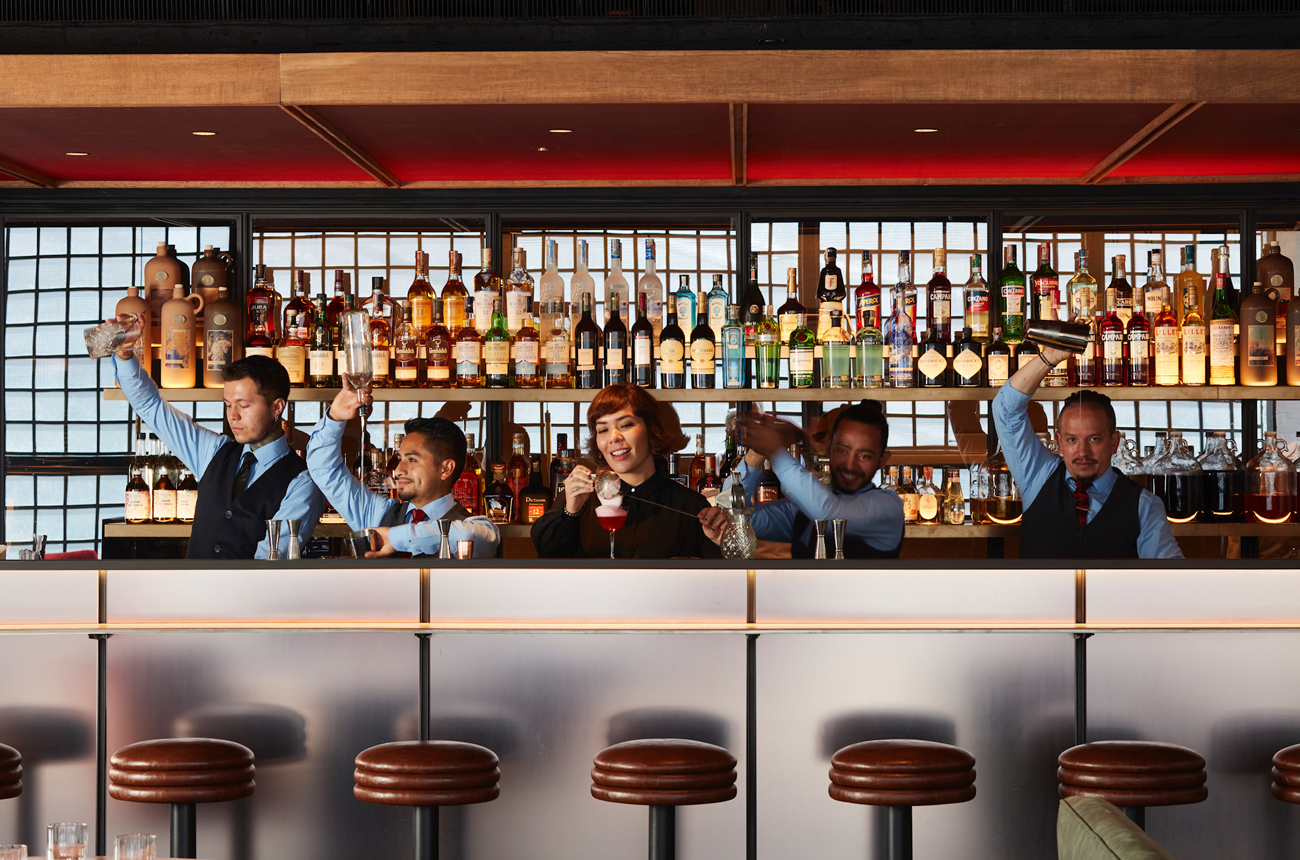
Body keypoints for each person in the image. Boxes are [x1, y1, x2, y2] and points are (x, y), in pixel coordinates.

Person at [110, 338, 326, 559]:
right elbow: (151, 407)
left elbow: (270, 562)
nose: (233, 415)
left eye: (244, 405)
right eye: (228, 405)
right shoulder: (213, 451)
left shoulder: (302, 483)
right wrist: (125, 357)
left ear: (277, 407)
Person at [992, 342, 1182, 559]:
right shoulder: (1037, 476)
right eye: (1072, 440)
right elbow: (1005, 409)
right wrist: (1049, 358)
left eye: (1094, 439)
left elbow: (1169, 572)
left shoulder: (1144, 506)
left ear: (1114, 443)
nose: (1082, 451)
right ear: (1059, 442)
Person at [305, 381, 500, 558]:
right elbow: (324, 470)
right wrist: (335, 417)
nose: (398, 470)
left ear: (446, 469)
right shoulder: (378, 513)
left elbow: (468, 535)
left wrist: (395, 537)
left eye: (412, 460)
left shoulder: (477, 528)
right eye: (400, 459)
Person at [532, 384, 721, 559]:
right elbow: (546, 554)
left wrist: (720, 542)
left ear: (651, 429)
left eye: (625, 425)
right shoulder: (581, 499)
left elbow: (718, 576)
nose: (613, 437)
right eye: (603, 430)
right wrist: (570, 512)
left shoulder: (691, 506)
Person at [701, 401, 903, 558]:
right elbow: (738, 517)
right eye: (842, 450)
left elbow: (828, 513)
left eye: (864, 456)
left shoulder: (887, 507)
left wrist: (774, 449)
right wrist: (755, 454)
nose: (850, 465)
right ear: (829, 446)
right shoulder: (800, 510)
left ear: (882, 460)